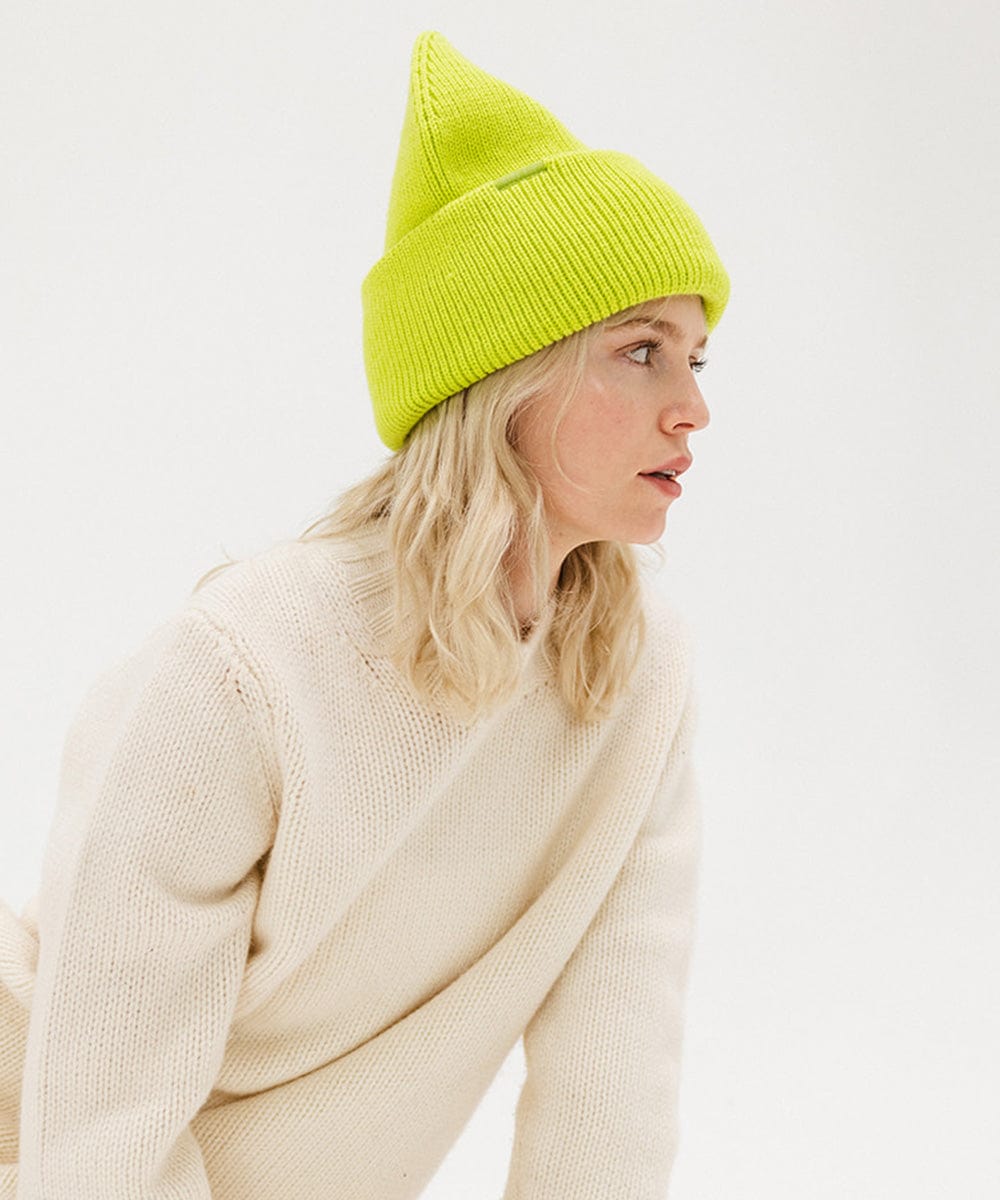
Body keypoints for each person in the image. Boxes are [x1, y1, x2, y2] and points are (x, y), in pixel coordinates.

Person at [0, 28, 729, 1200]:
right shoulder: (248, 663)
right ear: (500, 381)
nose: (691, 407)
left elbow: (613, 1080)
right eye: (640, 350)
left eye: (697, 357)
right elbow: (103, 1120)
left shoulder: (637, 681)